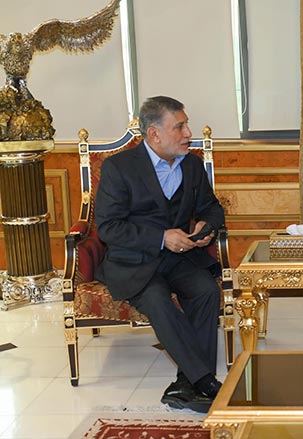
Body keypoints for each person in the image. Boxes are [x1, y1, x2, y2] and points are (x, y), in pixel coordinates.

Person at [95, 96, 226, 413]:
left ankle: (186, 384)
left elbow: (212, 208)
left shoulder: (192, 165)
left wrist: (205, 228)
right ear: (154, 134)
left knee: (206, 291)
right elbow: (109, 228)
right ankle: (205, 381)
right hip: (134, 263)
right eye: (179, 127)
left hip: (179, 260)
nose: (188, 133)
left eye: (186, 125)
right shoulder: (119, 168)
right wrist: (161, 238)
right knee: (157, 300)